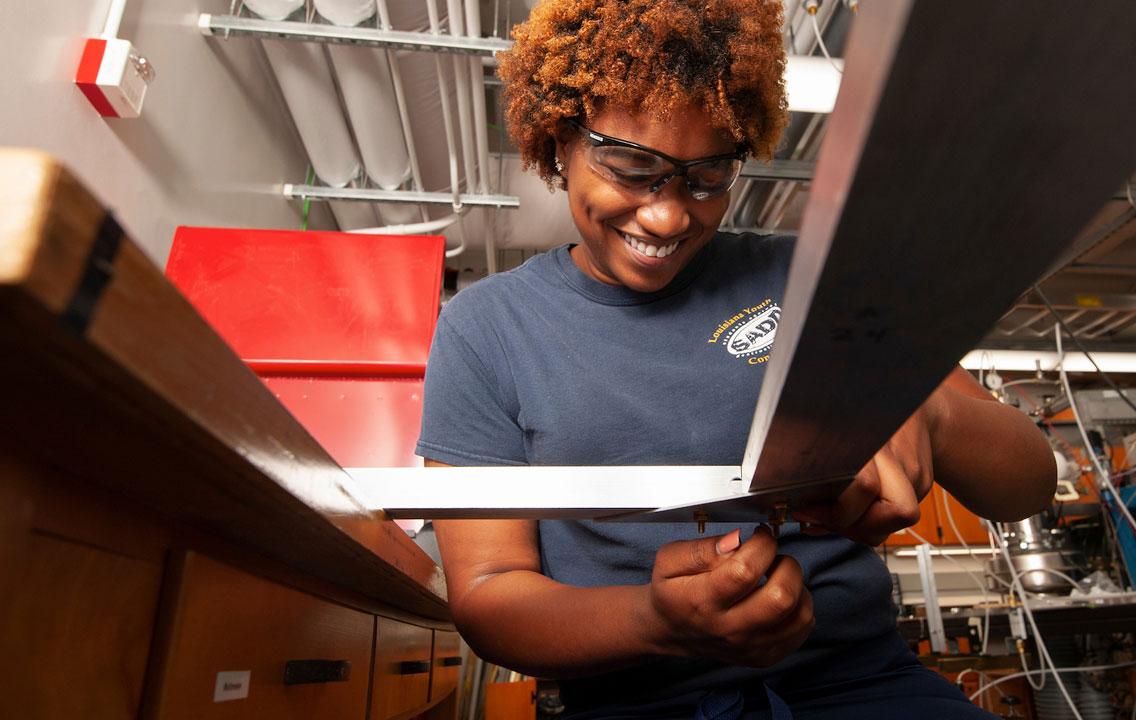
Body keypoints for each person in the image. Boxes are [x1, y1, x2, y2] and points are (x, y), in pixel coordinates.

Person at [415, 0, 1057, 717]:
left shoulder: (811, 280)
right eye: (631, 166)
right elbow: (488, 595)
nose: (667, 215)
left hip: (860, 685)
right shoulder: (486, 328)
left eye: (707, 176)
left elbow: (1027, 486)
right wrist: (655, 623)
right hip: (633, 702)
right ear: (558, 141)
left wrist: (929, 415)